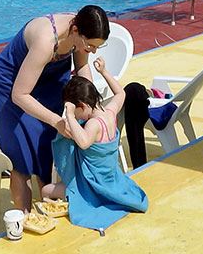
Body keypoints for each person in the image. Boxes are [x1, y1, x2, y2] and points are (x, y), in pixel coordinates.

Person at [0, 5, 109, 211]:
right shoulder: (46, 40)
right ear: (74, 31)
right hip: (12, 82)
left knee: (46, 145)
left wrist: (92, 106)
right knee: (22, 155)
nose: (92, 51)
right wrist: (57, 121)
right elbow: (20, 95)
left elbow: (81, 67)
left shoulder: (80, 31)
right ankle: (25, 218)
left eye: (97, 47)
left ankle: (49, 209)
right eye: (90, 46)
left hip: (49, 77)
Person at [42, 59, 147, 224]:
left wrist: (69, 116)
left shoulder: (93, 125)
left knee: (46, 190)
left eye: (76, 112)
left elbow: (83, 142)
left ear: (82, 106)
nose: (76, 117)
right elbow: (121, 94)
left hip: (93, 185)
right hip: (112, 179)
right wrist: (104, 72)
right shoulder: (110, 113)